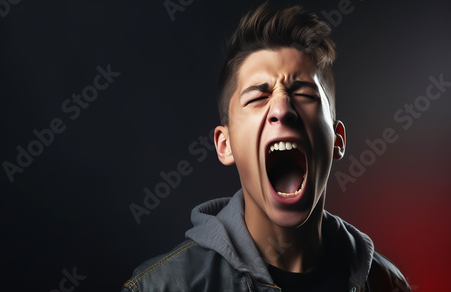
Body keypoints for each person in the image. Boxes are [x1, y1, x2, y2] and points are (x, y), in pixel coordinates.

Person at [122, 3, 411, 291]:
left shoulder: (387, 284)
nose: (282, 108)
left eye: (303, 93)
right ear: (226, 145)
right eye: (257, 97)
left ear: (337, 141)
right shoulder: (159, 287)